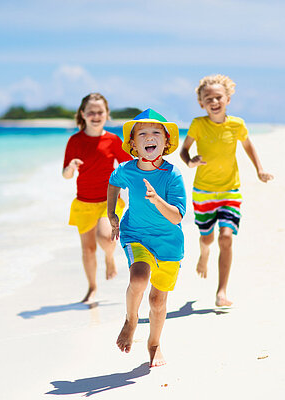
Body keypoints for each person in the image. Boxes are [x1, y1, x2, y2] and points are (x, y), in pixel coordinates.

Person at [179, 74, 274, 307]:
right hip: (204, 191)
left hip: (230, 190)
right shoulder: (198, 124)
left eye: (218, 97)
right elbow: (184, 151)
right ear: (201, 103)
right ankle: (204, 253)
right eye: (208, 98)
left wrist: (260, 170)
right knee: (207, 237)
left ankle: (221, 292)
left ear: (228, 99)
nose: (214, 101)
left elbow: (248, 145)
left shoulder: (237, 124)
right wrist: (191, 161)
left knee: (226, 238)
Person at [107, 108, 186, 367]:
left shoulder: (172, 175)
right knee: (139, 277)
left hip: (168, 244)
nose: (149, 137)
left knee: (157, 300)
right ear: (133, 143)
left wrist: (156, 199)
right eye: (142, 133)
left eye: (155, 133)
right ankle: (131, 320)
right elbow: (113, 182)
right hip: (135, 234)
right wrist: (112, 214)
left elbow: (177, 217)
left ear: (165, 142)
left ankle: (154, 344)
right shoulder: (127, 170)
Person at [62, 93, 132, 303]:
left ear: (107, 114)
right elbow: (65, 174)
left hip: (107, 200)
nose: (95, 115)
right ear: (82, 114)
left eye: (100, 112)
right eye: (90, 112)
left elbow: (127, 166)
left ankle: (110, 257)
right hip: (83, 201)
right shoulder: (74, 140)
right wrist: (71, 167)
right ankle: (92, 288)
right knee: (88, 249)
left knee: (104, 237)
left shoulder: (112, 140)